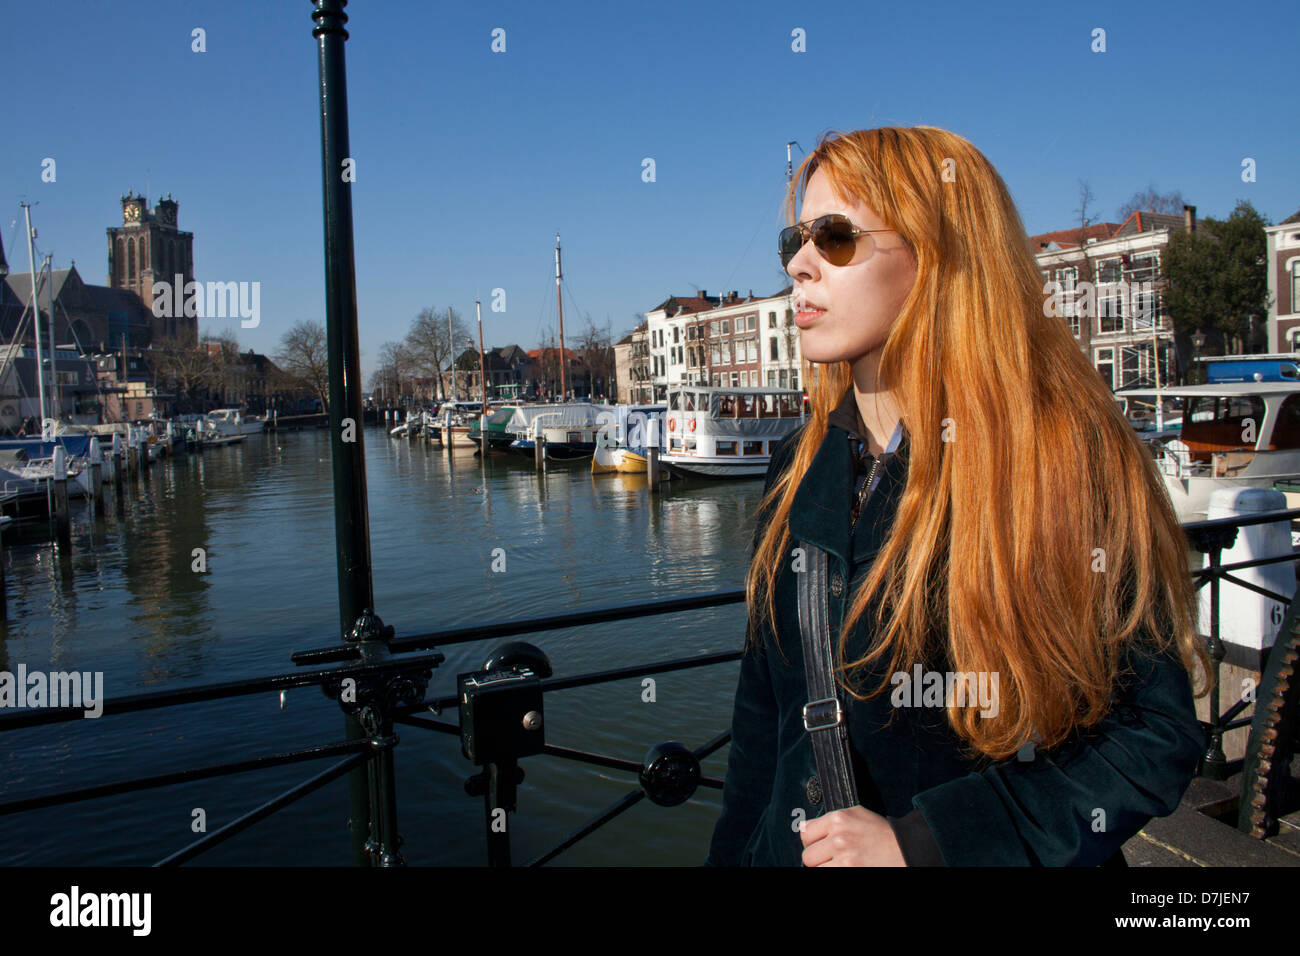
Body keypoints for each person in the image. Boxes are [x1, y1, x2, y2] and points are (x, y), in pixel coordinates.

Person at [706, 126, 1211, 867]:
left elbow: (1151, 734)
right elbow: (762, 726)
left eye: (835, 236)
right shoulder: (796, 467)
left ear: (938, 258)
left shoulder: (1060, 461)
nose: (799, 264)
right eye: (797, 237)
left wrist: (929, 842)